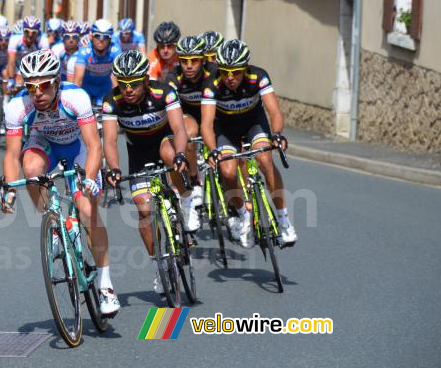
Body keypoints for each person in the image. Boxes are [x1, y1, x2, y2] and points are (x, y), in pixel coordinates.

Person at [0, 50, 120, 316]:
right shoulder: (17, 107)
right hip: (46, 146)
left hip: (78, 148)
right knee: (30, 168)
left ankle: (105, 285)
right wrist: (9, 190)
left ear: (56, 82)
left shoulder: (75, 97)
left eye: (43, 85)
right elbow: (11, 155)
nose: (37, 92)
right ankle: (53, 221)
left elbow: (93, 145)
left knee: (88, 212)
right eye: (30, 86)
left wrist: (89, 178)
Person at [102, 50, 199, 294]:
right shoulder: (111, 101)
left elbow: (178, 127)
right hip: (138, 154)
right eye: (123, 84)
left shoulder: (163, 93)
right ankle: (160, 265)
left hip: (164, 141)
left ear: (145, 80)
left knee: (171, 156)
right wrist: (114, 169)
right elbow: (111, 141)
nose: (128, 90)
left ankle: (186, 201)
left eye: (134, 83)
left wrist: (180, 154)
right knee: (144, 211)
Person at [200, 39, 297, 248]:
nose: (230, 77)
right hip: (226, 129)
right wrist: (213, 150)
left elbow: (274, 111)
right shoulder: (212, 84)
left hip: (254, 123)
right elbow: (207, 124)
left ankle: (283, 219)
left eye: (235, 72)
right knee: (227, 171)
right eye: (225, 72)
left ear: (244, 68)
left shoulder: (258, 76)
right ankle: (243, 214)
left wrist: (277, 134)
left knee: (264, 159)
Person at [167, 35, 214, 206]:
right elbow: (171, 106)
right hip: (189, 113)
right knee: (189, 135)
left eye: (194, 60)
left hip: (212, 112)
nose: (188, 65)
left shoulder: (214, 72)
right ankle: (195, 179)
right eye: (184, 60)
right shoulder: (174, 76)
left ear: (203, 60)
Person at [71, 19, 121, 106]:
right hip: (86, 87)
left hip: (104, 88)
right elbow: (77, 80)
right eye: (97, 36)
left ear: (110, 38)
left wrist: (119, 100)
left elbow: (117, 79)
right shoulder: (84, 51)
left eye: (105, 37)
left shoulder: (116, 50)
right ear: (91, 36)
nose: (101, 40)